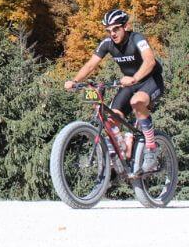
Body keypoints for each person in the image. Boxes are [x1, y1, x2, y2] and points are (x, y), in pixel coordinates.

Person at [64, 9, 164, 173]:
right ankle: (124, 147)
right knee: (111, 119)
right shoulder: (107, 44)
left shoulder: (137, 39)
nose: (113, 33)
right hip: (129, 83)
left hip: (150, 80)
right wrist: (75, 81)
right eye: (109, 30)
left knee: (136, 102)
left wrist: (135, 78)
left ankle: (151, 148)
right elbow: (90, 65)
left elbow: (150, 61)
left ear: (125, 26)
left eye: (116, 29)